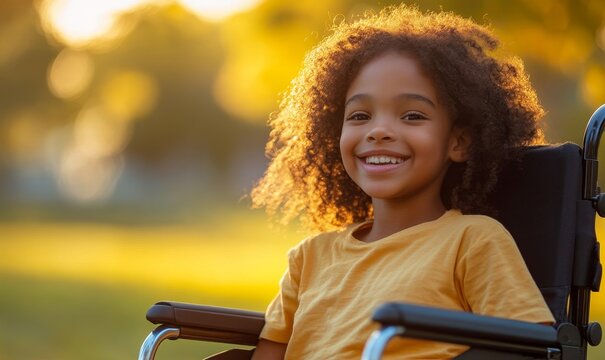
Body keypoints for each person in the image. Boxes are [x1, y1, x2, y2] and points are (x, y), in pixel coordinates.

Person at [249, 4, 554, 359]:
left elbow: (529, 347)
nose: (378, 131)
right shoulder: (310, 257)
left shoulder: (472, 240)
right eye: (360, 115)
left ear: (459, 142)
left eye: (412, 115)